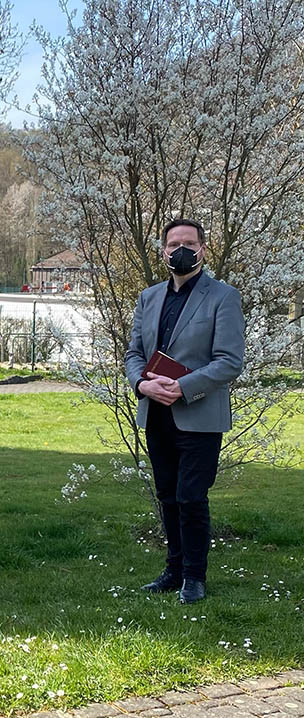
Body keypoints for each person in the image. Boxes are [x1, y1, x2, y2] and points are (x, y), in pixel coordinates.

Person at [125, 219, 244, 604]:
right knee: (167, 495)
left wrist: (183, 386)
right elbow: (134, 355)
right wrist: (141, 384)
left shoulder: (223, 296)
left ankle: (195, 577)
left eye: (189, 243)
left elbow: (229, 361)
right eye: (173, 243)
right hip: (157, 413)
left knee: (192, 496)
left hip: (199, 414)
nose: (181, 249)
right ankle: (173, 570)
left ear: (203, 250)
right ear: (163, 251)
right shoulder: (149, 297)